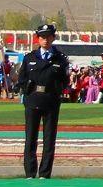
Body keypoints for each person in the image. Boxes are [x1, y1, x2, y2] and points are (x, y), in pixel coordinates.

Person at [18, 25, 71, 176]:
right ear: (38, 39)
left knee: (49, 139)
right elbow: (22, 78)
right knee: (30, 139)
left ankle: (44, 173)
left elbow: (64, 80)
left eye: (48, 36)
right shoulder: (30, 58)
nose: (45, 40)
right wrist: (26, 90)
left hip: (51, 100)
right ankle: (30, 172)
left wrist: (58, 92)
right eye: (42, 37)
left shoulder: (60, 59)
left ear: (53, 38)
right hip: (33, 99)